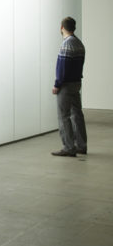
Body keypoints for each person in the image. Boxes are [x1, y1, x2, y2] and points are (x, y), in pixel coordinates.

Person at [51, 16, 87, 157]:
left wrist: (57, 84)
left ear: (62, 28)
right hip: (76, 83)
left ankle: (68, 147)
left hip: (65, 85)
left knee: (64, 116)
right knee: (77, 114)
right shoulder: (79, 43)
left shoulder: (66, 44)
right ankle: (81, 145)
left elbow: (63, 68)